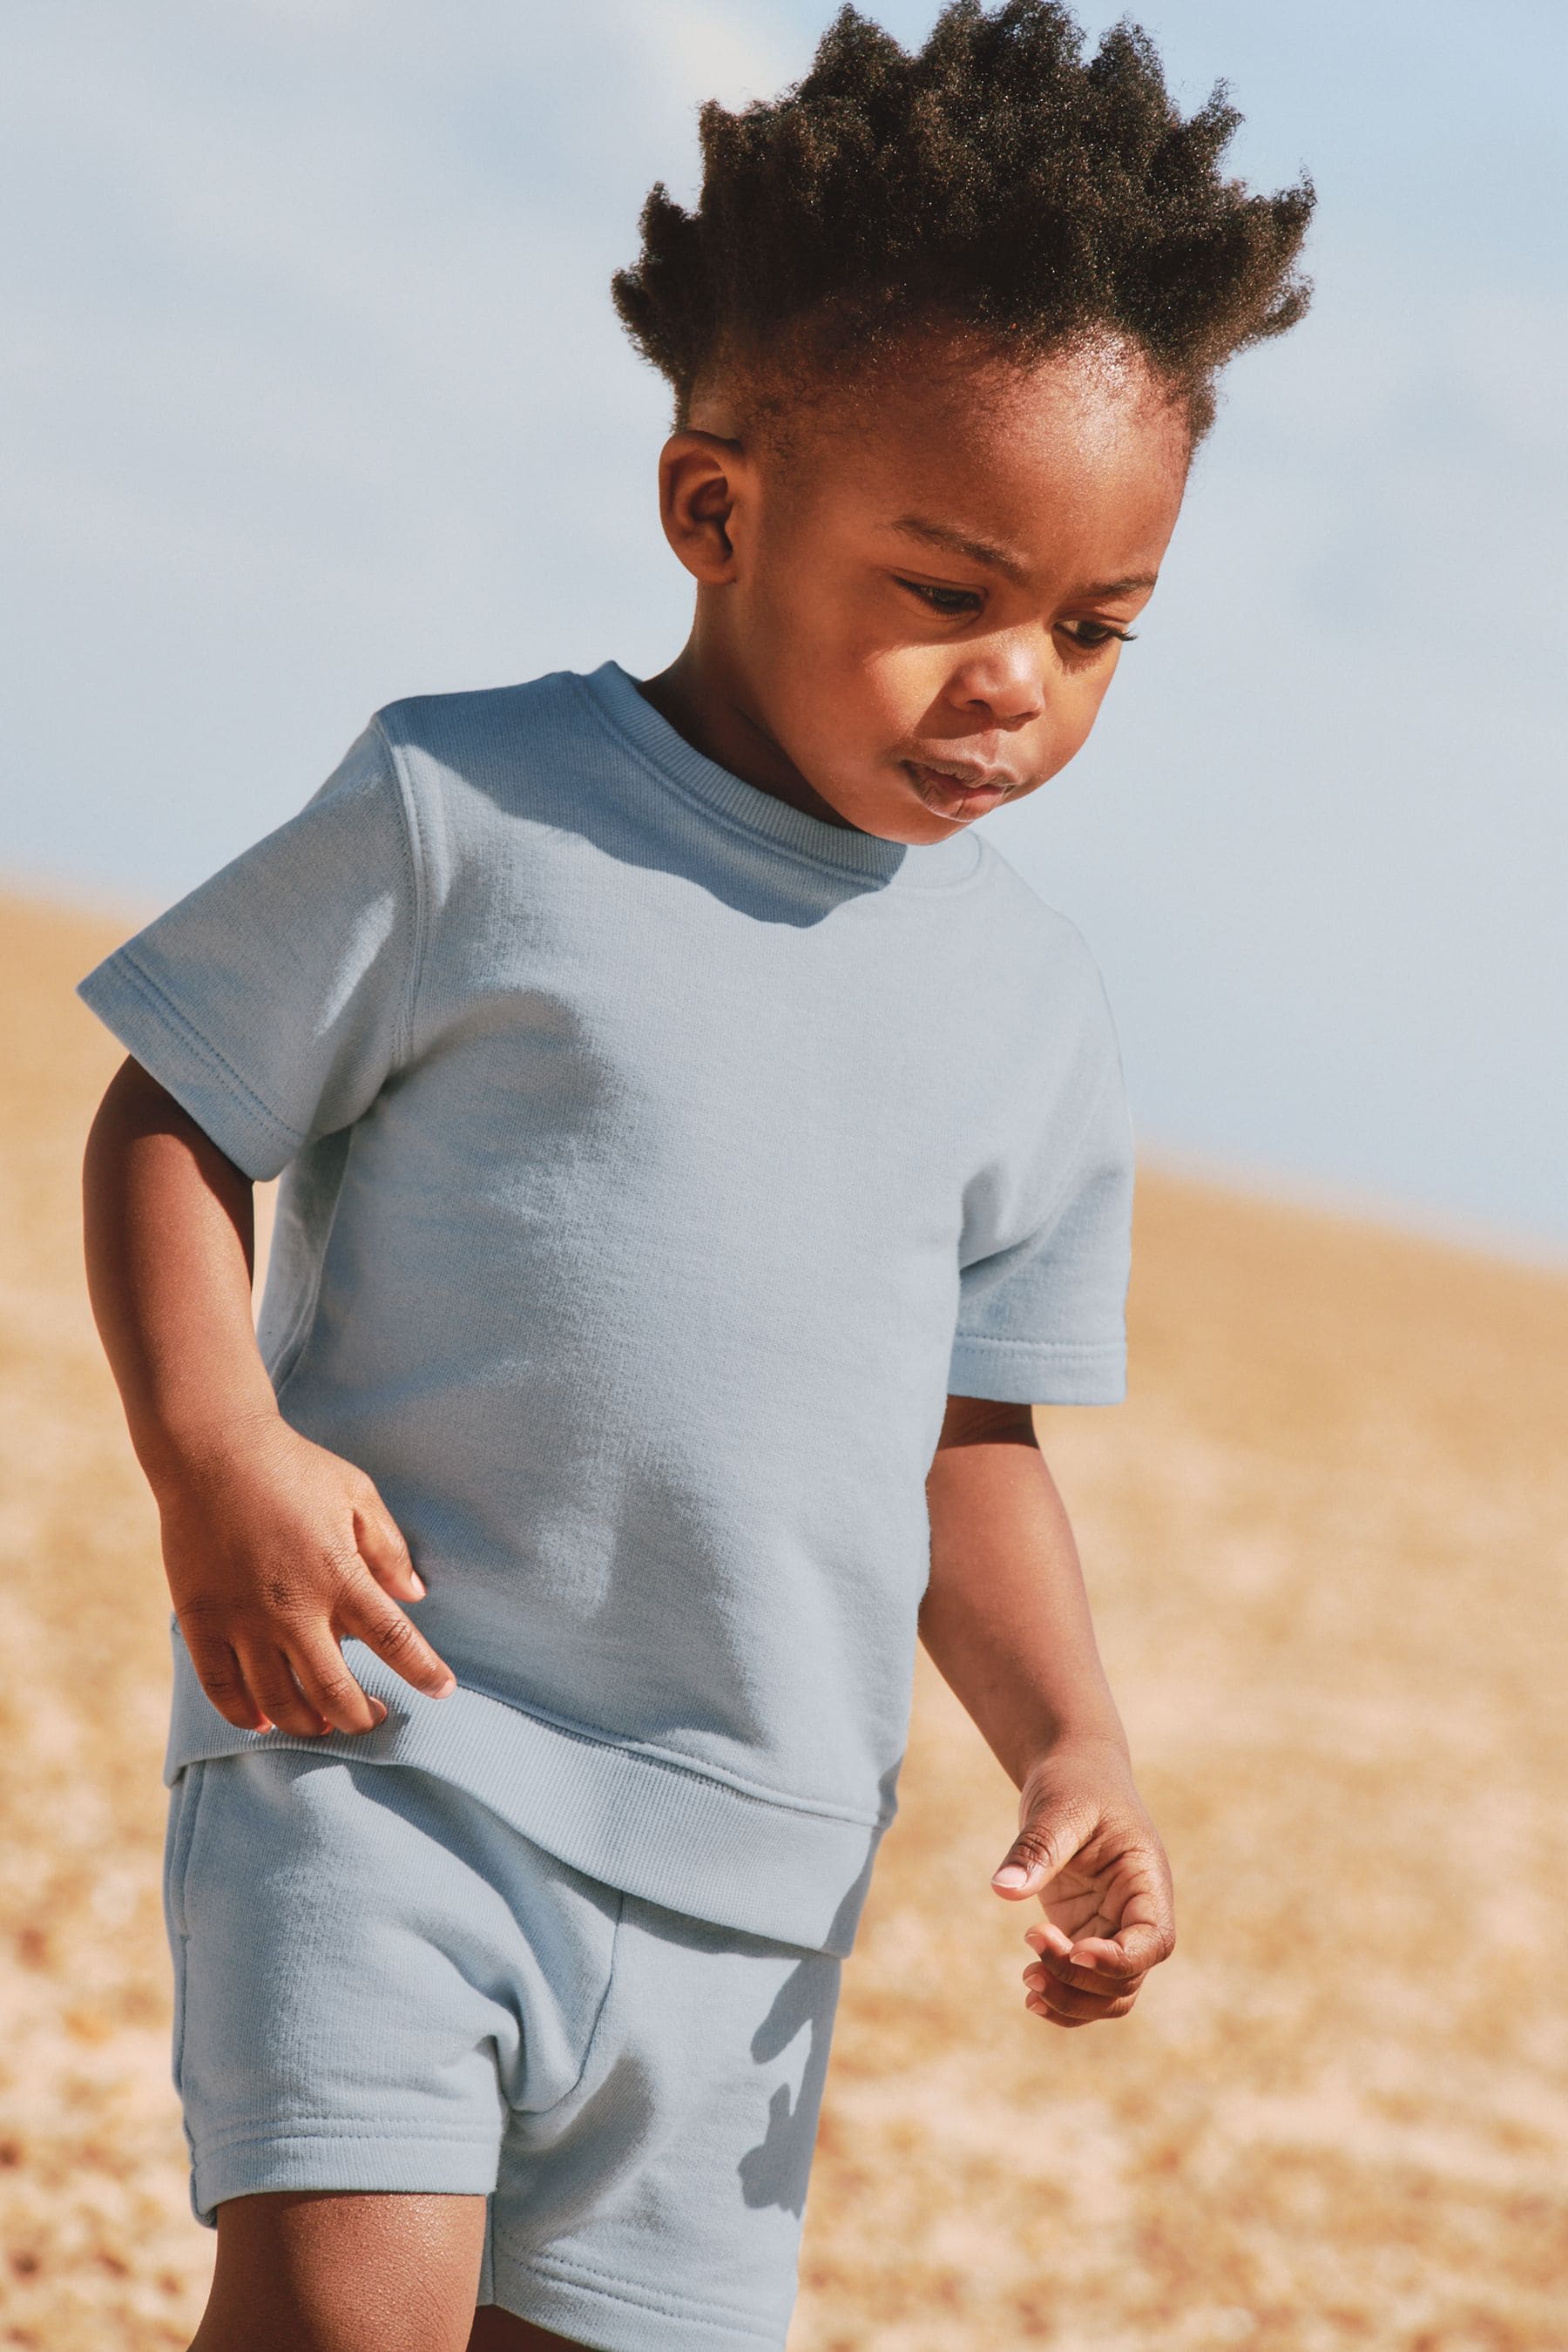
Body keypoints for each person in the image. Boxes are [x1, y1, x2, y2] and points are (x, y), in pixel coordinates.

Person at [78, 5, 1313, 2346]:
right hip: (385, 1751)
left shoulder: (1034, 1007)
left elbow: (967, 1438)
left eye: (1094, 627)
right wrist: (214, 1446)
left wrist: (1074, 1733)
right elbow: (172, 1106)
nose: (1020, 682)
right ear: (716, 508)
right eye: (950, 588)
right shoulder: (473, 811)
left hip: (748, 1897)